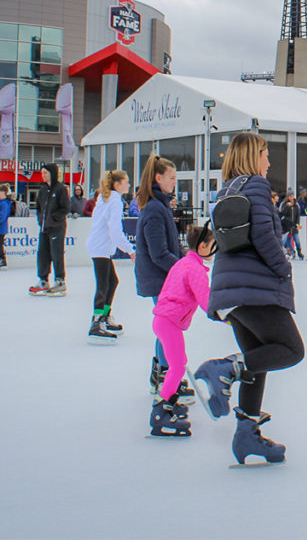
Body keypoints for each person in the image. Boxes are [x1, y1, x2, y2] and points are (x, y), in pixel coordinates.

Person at [194, 132, 304, 464]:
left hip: (231, 291)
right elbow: (264, 237)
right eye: (265, 154)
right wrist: (283, 268)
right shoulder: (256, 186)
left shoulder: (227, 189)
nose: (269, 162)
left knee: (257, 360)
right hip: (253, 288)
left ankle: (247, 435)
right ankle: (225, 369)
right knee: (291, 350)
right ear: (253, 156)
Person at [149, 225, 216, 437]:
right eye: (213, 245)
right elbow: (206, 301)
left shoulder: (183, 263)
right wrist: (229, 318)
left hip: (163, 319)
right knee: (177, 367)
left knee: (179, 362)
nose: (215, 250)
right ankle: (160, 413)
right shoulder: (195, 270)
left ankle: (169, 400)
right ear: (203, 246)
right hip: (169, 321)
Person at [134, 155, 187, 400]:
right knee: (169, 329)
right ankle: (167, 375)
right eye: (171, 178)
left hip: (164, 279)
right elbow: (159, 253)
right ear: (158, 178)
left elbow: (171, 246)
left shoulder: (160, 206)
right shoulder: (155, 209)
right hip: (160, 280)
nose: (174, 182)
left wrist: (186, 259)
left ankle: (161, 374)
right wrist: (183, 269)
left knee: (166, 329)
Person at [85, 170, 135, 344]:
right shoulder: (114, 201)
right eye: (126, 181)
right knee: (104, 284)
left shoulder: (107, 198)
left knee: (112, 281)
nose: (128, 185)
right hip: (100, 247)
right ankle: (96, 323)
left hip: (100, 247)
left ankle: (104, 317)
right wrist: (130, 250)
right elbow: (115, 231)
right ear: (117, 184)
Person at [29, 163, 70, 296]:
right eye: (42, 173)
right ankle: (43, 280)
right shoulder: (42, 190)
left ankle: (60, 281)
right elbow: (38, 208)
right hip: (44, 228)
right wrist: (41, 220)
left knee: (56, 253)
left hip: (56, 228)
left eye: (45, 173)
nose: (43, 175)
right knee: (42, 254)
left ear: (52, 174)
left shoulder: (60, 189)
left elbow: (65, 208)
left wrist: (53, 218)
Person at [279, 193, 304, 260]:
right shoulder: (284, 204)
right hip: (287, 227)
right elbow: (282, 213)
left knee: (297, 241)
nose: (291, 198)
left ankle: (299, 252)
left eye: (292, 196)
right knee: (286, 242)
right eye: (290, 197)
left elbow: (297, 216)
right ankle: (292, 252)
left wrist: (297, 224)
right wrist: (287, 206)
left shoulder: (296, 205)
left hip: (294, 227)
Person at [0, 183, 11, 268]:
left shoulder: (4, 203)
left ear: (3, 192)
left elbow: (2, 217)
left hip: (1, 229)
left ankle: (2, 260)